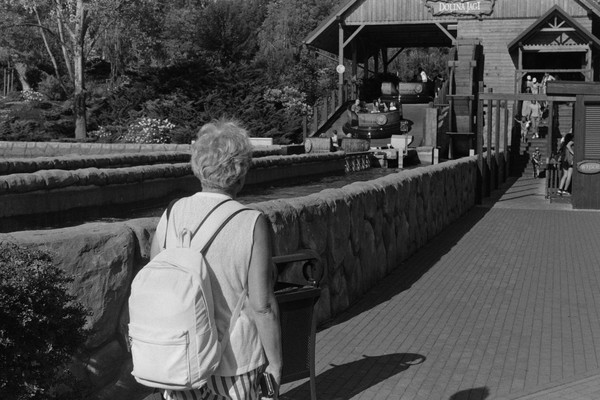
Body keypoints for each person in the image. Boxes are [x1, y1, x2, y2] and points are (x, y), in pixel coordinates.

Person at [150, 119, 283, 400]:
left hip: (181, 356)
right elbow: (262, 306)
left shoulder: (172, 213)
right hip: (234, 360)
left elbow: (156, 279)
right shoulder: (251, 222)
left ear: (198, 165)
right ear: (241, 172)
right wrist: (276, 363)